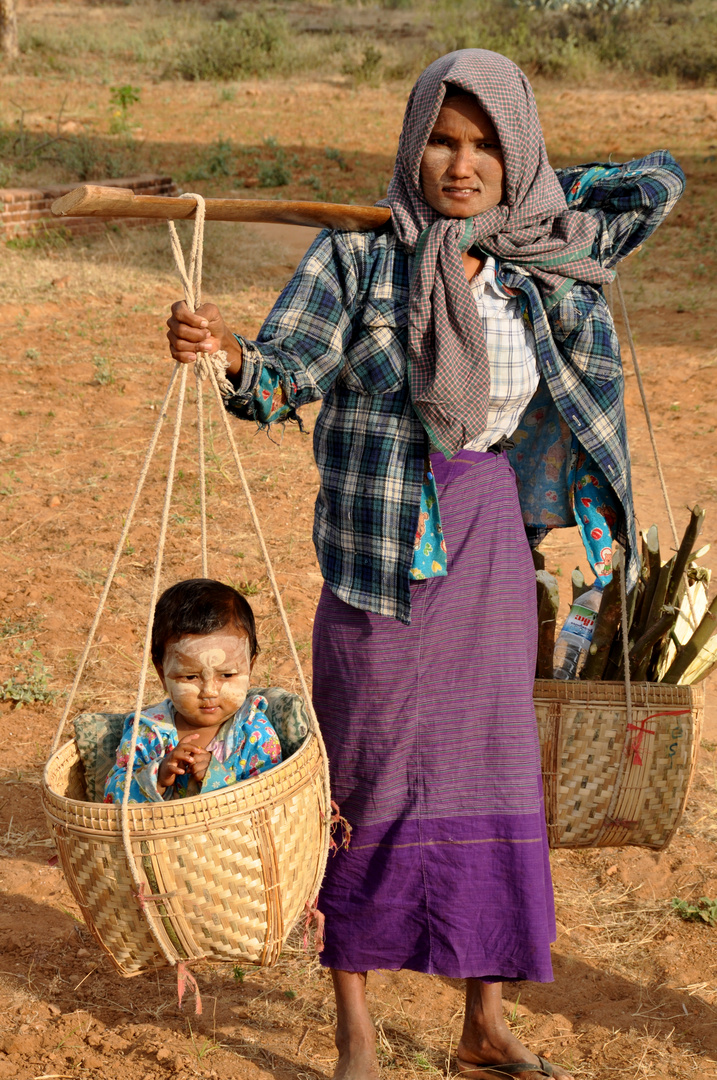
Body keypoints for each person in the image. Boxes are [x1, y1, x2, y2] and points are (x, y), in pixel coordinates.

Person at [165, 49, 684, 1080]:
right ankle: (356, 1027)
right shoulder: (358, 258)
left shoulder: (542, 254)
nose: (460, 163)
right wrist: (225, 355)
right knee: (366, 772)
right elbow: (282, 376)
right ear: (412, 146)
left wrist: (534, 194)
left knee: (487, 772)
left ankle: (482, 1024)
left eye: (488, 144)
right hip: (375, 549)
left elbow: (655, 183)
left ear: (517, 155)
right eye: (441, 140)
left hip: (490, 534)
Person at [104, 578, 282, 804]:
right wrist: (158, 776)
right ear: (162, 674)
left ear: (250, 666)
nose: (209, 691)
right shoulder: (148, 732)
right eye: (190, 677)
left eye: (226, 675)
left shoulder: (254, 733)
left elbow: (272, 799)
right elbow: (111, 796)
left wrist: (218, 778)